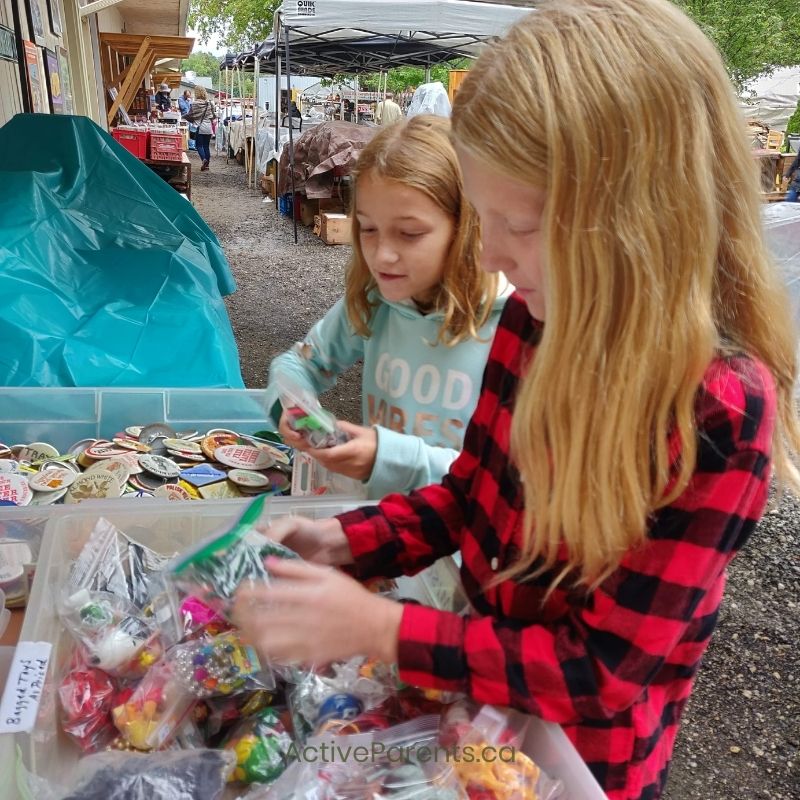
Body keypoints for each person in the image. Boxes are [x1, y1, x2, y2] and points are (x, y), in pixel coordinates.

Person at [232, 1, 800, 798]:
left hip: (584, 761)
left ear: (642, 220)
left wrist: (385, 629)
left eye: (519, 223)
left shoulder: (718, 411)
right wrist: (351, 544)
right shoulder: (536, 318)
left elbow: (601, 672)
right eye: (484, 216)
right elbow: (472, 494)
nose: (490, 252)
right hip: (476, 702)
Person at [266, 115, 511, 500]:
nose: (382, 255)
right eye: (366, 228)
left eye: (409, 234)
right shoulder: (374, 301)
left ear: (466, 227)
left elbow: (508, 485)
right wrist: (295, 407)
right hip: (378, 536)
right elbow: (297, 364)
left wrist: (389, 458)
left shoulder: (513, 326)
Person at [182, 85, 216, 171]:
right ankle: (207, 165)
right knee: (206, 146)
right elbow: (213, 116)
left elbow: (190, 115)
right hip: (208, 128)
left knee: (199, 145)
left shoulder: (194, 104)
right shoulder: (210, 103)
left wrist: (184, 117)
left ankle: (204, 160)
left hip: (200, 127)